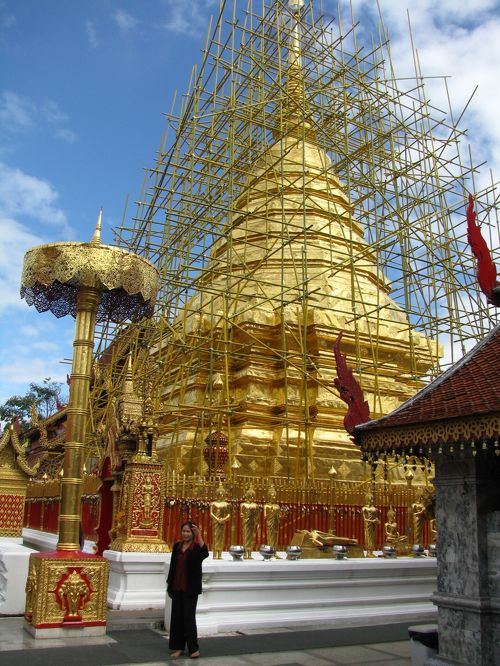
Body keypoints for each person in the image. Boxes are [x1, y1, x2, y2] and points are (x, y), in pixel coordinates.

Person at [167, 521, 208, 659]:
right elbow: (173, 566)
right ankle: (178, 647)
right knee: (177, 618)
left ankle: (193, 648)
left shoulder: (196, 548)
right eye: (183, 531)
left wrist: (199, 536)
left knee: (188, 618)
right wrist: (169, 585)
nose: (185, 534)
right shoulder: (177, 547)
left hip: (190, 589)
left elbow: (205, 553)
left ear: (192, 533)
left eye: (188, 531)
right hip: (177, 586)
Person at [210, 483, 231, 559]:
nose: (221, 495)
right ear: (217, 494)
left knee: (221, 537)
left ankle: (220, 554)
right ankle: (215, 554)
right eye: (219, 494)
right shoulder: (213, 503)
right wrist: (217, 519)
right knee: (215, 537)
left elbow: (229, 515)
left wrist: (223, 519)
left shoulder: (226, 504)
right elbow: (211, 513)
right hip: (216, 522)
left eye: (222, 494)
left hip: (222, 522)